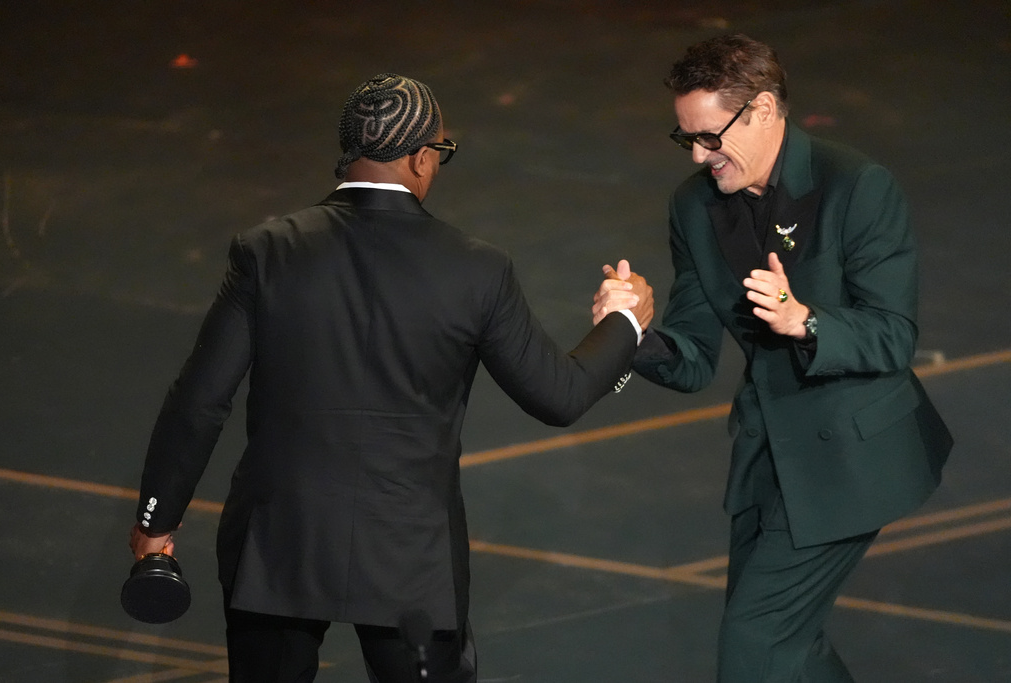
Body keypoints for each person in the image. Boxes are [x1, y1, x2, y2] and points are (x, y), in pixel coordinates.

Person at [127, 73, 653, 683]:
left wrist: (154, 524)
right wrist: (623, 322)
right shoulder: (477, 270)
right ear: (422, 159)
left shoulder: (266, 251)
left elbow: (198, 402)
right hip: (411, 558)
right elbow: (558, 396)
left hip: (279, 545)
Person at [632, 35, 953, 681]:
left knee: (753, 643)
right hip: (767, 458)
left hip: (849, 459)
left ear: (764, 109)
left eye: (711, 136)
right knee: (788, 645)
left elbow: (891, 335)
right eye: (686, 138)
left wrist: (802, 319)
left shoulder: (856, 186)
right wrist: (632, 331)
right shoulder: (693, 206)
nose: (699, 154)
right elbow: (693, 359)